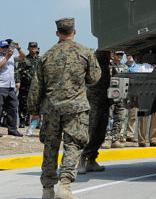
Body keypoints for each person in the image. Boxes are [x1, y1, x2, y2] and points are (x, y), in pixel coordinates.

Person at [27, 17, 101, 199]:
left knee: (50, 146)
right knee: (73, 145)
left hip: (51, 108)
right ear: (74, 32)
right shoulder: (85, 52)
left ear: (57, 33)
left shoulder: (46, 56)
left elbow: (36, 87)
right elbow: (94, 78)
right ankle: (65, 186)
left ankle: (47, 190)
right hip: (75, 108)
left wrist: (33, 111)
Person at [78, 50, 111, 174]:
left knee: (100, 132)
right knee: (89, 131)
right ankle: (81, 160)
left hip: (104, 101)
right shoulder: (93, 65)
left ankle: (91, 160)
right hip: (92, 103)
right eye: (108, 53)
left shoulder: (107, 66)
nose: (110, 55)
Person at [0, 39, 26, 137]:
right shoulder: (6, 57)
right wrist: (8, 56)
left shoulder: (11, 57)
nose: (5, 49)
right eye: (3, 47)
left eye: (7, 47)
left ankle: (12, 129)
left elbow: (23, 57)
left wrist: (18, 47)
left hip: (11, 87)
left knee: (13, 108)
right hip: (1, 86)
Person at [16, 41, 41, 128]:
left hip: (37, 86)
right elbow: (18, 72)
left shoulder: (40, 60)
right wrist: (18, 81)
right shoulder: (24, 59)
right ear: (28, 48)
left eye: (35, 47)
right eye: (31, 47)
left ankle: (35, 123)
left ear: (37, 48)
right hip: (25, 85)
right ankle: (22, 121)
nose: (33, 49)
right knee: (23, 104)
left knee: (37, 104)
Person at [109, 51, 129, 148]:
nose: (120, 56)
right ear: (113, 55)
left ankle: (115, 139)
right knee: (108, 118)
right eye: (118, 54)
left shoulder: (125, 67)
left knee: (120, 118)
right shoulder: (109, 66)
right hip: (110, 96)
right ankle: (106, 139)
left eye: (121, 55)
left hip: (121, 96)